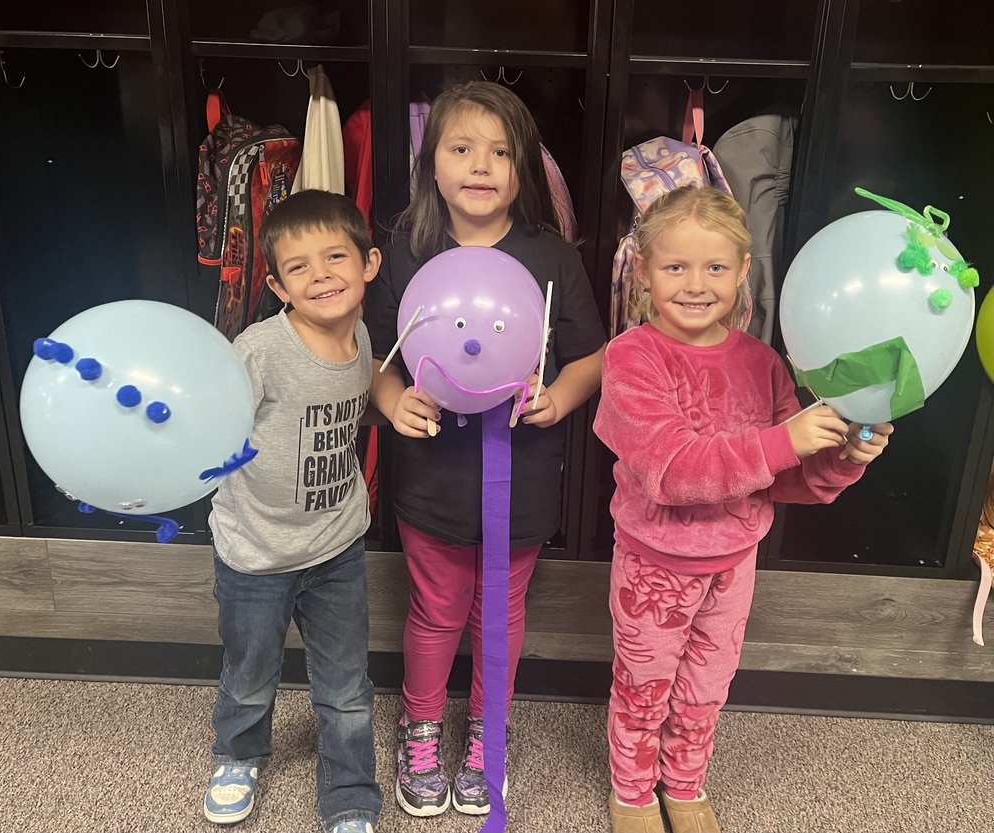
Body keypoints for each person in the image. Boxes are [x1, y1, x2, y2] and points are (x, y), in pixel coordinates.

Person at [593, 185, 893, 833]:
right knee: (645, 684)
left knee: (706, 686)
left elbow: (790, 479)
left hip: (734, 565)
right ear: (643, 270)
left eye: (715, 267)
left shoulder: (762, 362)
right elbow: (670, 469)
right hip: (654, 565)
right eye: (676, 266)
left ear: (743, 271)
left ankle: (684, 782)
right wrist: (786, 440)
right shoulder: (631, 358)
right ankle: (634, 790)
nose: (696, 284)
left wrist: (845, 456)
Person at [364, 80, 606, 818]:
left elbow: (592, 355)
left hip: (522, 474)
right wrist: (391, 402)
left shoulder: (553, 256)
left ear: (523, 169)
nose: (480, 165)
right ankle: (420, 726)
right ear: (431, 164)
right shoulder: (405, 249)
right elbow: (374, 355)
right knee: (437, 607)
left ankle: (485, 732)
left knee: (498, 610)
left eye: (501, 153)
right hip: (431, 475)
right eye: (462, 148)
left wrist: (558, 397)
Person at [203, 189, 384, 833]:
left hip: (337, 547)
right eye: (299, 267)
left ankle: (351, 793)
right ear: (278, 287)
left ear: (369, 264)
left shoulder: (361, 333)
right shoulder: (259, 350)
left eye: (335, 257)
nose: (321, 275)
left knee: (347, 686)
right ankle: (238, 754)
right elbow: (211, 425)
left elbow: (362, 391)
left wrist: (398, 403)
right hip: (255, 551)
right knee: (250, 674)